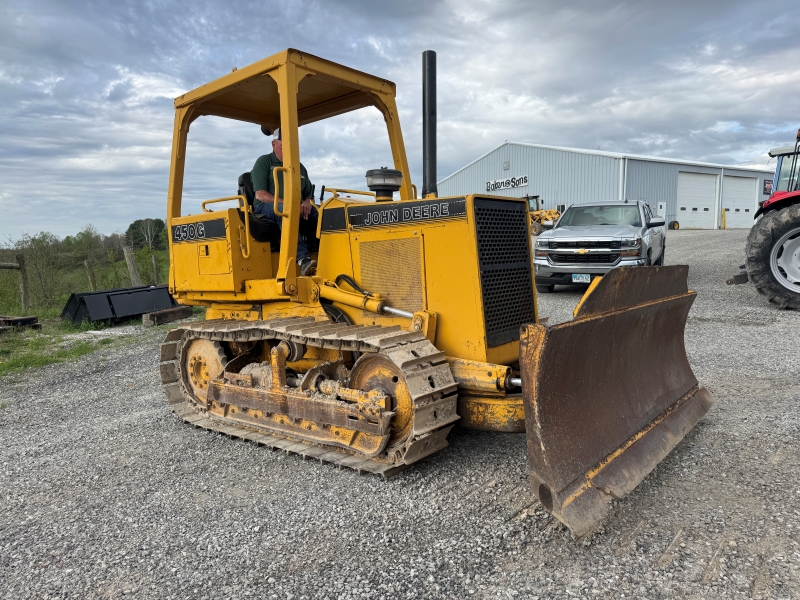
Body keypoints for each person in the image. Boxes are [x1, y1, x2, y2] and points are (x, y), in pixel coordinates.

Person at [251, 126, 319, 276]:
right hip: (265, 207)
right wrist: (288, 202)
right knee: (285, 210)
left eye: (290, 147)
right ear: (274, 144)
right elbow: (260, 195)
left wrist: (307, 202)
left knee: (324, 213)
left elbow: (308, 192)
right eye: (283, 146)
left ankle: (327, 252)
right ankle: (303, 260)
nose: (287, 151)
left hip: (296, 206)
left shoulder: (299, 167)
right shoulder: (264, 162)